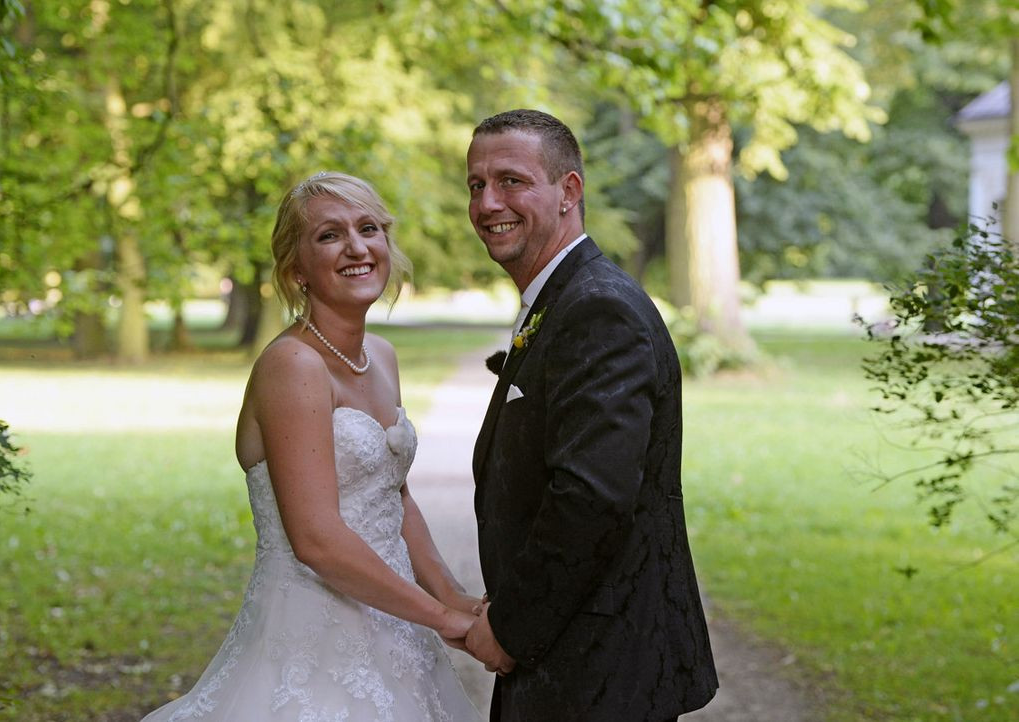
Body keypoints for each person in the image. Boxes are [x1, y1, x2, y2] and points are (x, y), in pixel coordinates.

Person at [140, 171, 482, 722]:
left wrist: (453, 594)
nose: (356, 246)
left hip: (395, 629)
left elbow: (394, 498)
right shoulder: (292, 365)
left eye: (368, 228)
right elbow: (317, 540)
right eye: (329, 235)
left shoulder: (382, 356)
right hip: (311, 639)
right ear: (296, 268)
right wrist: (447, 622)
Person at [463, 109, 719, 721]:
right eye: (476, 185)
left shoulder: (599, 309)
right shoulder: (560, 299)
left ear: (568, 191)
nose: (487, 202)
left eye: (511, 181)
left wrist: (510, 629)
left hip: (600, 674)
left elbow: (591, 498)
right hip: (572, 664)